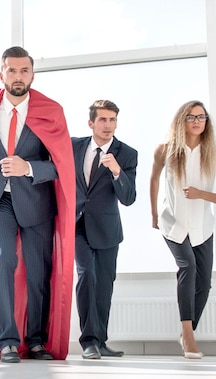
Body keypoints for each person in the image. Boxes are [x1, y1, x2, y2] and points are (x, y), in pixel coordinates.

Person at [0, 46, 76, 363]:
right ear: (1, 74)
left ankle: (35, 341)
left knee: (38, 274)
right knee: (4, 260)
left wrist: (30, 168)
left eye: (24, 71)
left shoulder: (51, 111)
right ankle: (7, 340)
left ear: (32, 75)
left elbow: (62, 165)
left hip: (37, 204)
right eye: (12, 70)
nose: (18, 76)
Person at [149, 100, 216, 359]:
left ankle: (188, 328)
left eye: (201, 117)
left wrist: (201, 194)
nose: (197, 121)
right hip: (173, 223)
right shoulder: (164, 150)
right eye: (190, 117)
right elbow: (154, 178)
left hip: (202, 228)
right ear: (181, 121)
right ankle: (188, 335)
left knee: (205, 284)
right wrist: (154, 213)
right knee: (187, 265)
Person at [72, 99, 137, 359]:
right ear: (91, 123)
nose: (108, 125)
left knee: (104, 285)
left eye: (112, 120)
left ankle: (100, 340)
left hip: (108, 228)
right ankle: (88, 341)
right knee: (87, 275)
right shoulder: (74, 146)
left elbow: (129, 197)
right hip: (77, 224)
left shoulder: (127, 153)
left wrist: (117, 171)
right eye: (103, 119)